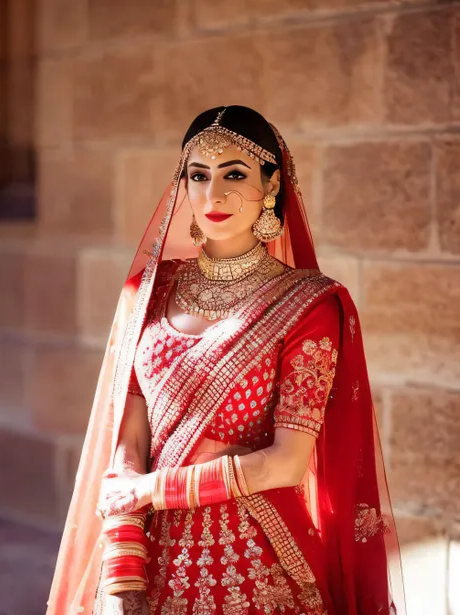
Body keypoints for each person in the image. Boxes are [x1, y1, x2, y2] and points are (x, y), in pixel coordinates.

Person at [46, 106, 405, 615]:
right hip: (148, 553)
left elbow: (286, 463)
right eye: (198, 176)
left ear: (272, 184)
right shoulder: (147, 291)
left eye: (234, 174)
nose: (213, 195)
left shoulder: (308, 304)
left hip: (257, 561)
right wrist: (123, 568)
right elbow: (127, 438)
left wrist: (151, 490)